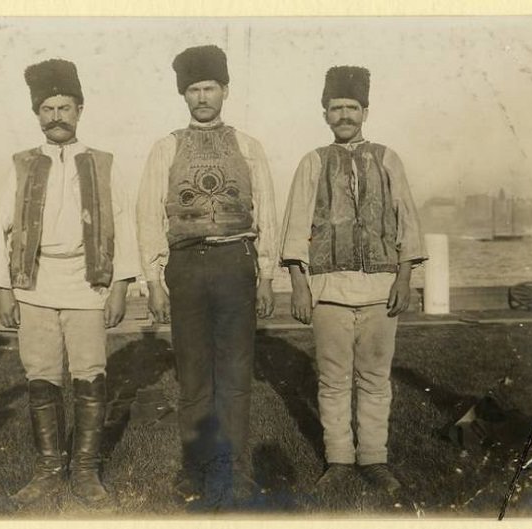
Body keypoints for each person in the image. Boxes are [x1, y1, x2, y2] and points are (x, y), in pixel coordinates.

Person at [0, 58, 139, 506]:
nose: (56, 117)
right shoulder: (22, 166)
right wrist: (3, 289)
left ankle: (86, 471)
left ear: (80, 110)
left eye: (64, 108)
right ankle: (49, 468)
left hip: (89, 284)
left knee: (90, 375)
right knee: (41, 376)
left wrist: (121, 286)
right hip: (34, 285)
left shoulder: (104, 164)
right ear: (37, 115)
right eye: (47, 109)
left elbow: (123, 227)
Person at [136, 45, 278, 505]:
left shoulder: (248, 147)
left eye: (209, 88)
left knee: (236, 374)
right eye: (193, 89)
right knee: (194, 376)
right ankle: (195, 470)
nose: (202, 97)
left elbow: (268, 213)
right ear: (184, 94)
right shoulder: (166, 147)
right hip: (187, 268)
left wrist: (268, 275)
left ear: (225, 91)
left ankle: (237, 470)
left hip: (236, 263)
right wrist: (153, 280)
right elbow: (147, 217)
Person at [279, 65, 427, 495]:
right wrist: (299, 284)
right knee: (333, 380)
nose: (344, 115)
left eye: (352, 107)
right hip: (328, 292)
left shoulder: (387, 158)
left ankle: (375, 460)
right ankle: (339, 459)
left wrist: (404, 277)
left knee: (375, 378)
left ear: (365, 111)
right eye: (335, 108)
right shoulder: (313, 161)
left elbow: (407, 224)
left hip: (381, 290)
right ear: (324, 113)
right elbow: (295, 227)